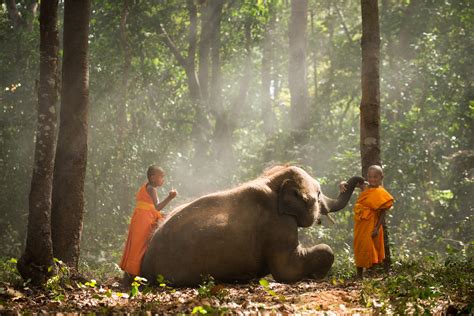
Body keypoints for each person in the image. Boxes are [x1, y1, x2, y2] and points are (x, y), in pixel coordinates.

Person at [120, 165, 177, 279]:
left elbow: (150, 207)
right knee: (140, 244)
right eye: (160, 177)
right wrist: (170, 197)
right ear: (152, 177)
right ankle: (134, 272)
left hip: (141, 216)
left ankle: (133, 272)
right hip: (144, 219)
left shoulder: (146, 187)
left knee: (137, 243)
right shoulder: (151, 188)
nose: (162, 180)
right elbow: (157, 207)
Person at [340, 165, 394, 279]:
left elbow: (383, 213)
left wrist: (376, 228)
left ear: (381, 177)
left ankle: (372, 275)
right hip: (361, 223)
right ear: (367, 177)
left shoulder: (382, 193)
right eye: (370, 177)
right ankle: (359, 275)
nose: (372, 179)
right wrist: (343, 183)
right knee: (359, 246)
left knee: (372, 249)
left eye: (375, 177)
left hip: (373, 224)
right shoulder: (364, 186)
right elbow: (350, 184)